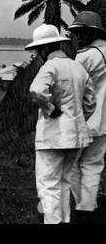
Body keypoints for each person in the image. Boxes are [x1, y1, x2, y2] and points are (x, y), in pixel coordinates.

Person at [26, 24, 96, 224]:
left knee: (48, 186)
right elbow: (91, 102)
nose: (38, 54)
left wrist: (50, 109)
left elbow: (37, 90)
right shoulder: (78, 67)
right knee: (64, 184)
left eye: (38, 50)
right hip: (76, 137)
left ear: (44, 48)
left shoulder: (50, 66)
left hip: (52, 138)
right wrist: (78, 119)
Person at [67, 11, 106, 223]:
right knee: (93, 165)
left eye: (82, 32)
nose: (78, 37)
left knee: (71, 165)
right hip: (104, 123)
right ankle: (89, 208)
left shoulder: (84, 56)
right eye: (76, 33)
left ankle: (81, 210)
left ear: (93, 33)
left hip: (85, 121)